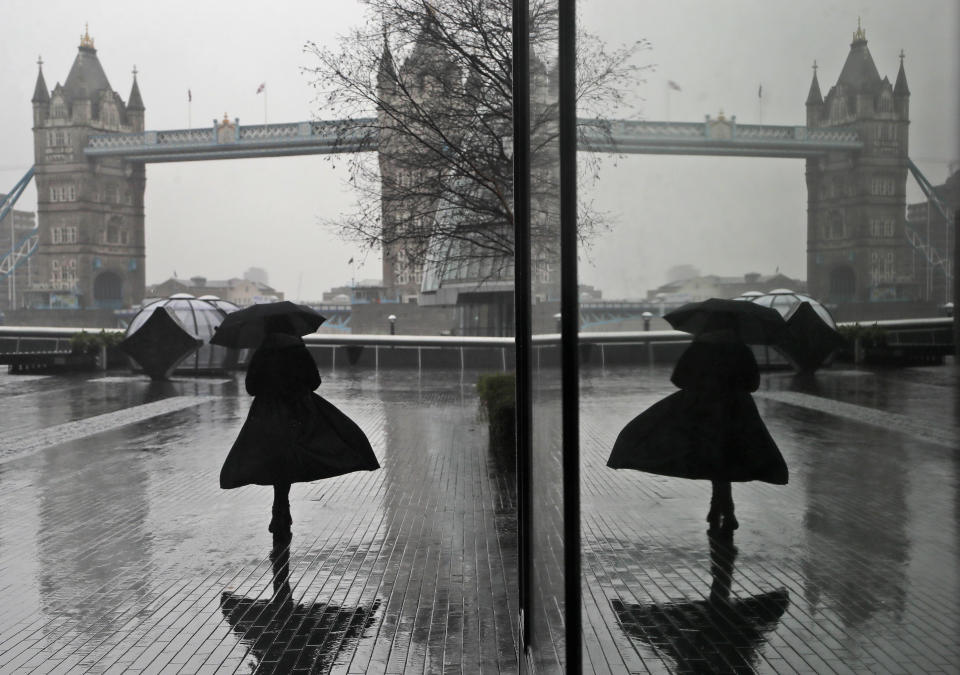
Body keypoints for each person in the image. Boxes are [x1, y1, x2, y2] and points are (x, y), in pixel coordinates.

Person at [220, 315, 379, 549]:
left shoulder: (262, 352)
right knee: (292, 457)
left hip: (267, 414)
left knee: (275, 459)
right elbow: (314, 382)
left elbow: (251, 387)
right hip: (298, 412)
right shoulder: (298, 350)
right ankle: (282, 510)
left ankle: (279, 509)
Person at [607, 329, 788, 532]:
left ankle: (720, 507)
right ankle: (725, 509)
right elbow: (753, 383)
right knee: (727, 455)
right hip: (736, 410)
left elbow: (678, 378)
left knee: (712, 456)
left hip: (702, 409)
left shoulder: (699, 348)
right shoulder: (741, 349)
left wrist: (702, 384)